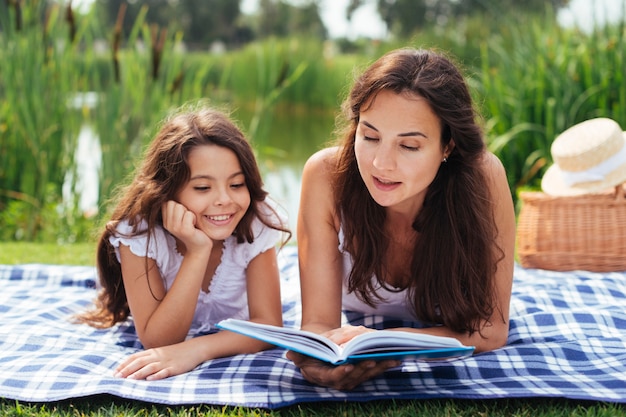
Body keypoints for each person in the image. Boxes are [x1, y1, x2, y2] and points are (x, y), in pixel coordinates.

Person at [288, 48, 516, 390]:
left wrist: (386, 341)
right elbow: (319, 324)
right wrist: (319, 364)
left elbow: (490, 330)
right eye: (370, 136)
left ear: (447, 146)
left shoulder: (483, 176)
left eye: (409, 146)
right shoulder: (326, 175)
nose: (381, 163)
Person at [77, 104, 290, 380]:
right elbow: (158, 341)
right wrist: (197, 252)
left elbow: (269, 326)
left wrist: (196, 350)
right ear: (168, 190)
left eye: (236, 184)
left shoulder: (255, 221)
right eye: (202, 187)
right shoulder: (140, 233)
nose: (224, 199)